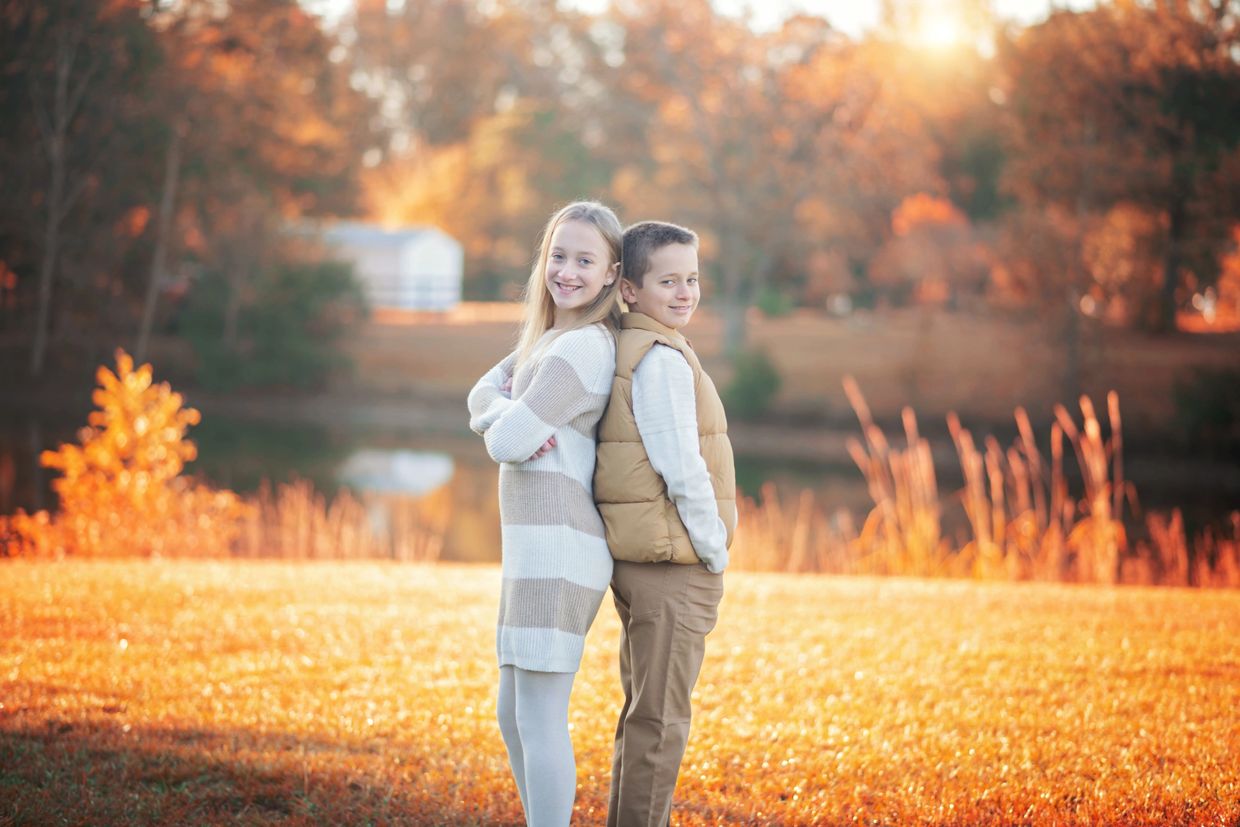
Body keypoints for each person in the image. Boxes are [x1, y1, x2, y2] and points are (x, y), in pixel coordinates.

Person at [467, 200, 623, 827]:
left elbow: (502, 443)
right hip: (532, 552)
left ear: (612, 274)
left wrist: (508, 421)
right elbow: (482, 398)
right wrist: (511, 414)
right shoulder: (547, 341)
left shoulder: (582, 348)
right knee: (513, 713)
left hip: (561, 551)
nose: (567, 270)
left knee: (538, 716)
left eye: (586, 260)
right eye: (559, 255)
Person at [593, 220, 737, 826]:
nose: (684, 292)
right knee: (660, 722)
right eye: (668, 280)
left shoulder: (637, 345)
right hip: (672, 564)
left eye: (693, 278)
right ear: (629, 288)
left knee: (645, 715)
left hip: (648, 561)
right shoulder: (661, 361)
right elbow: (682, 467)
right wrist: (715, 550)